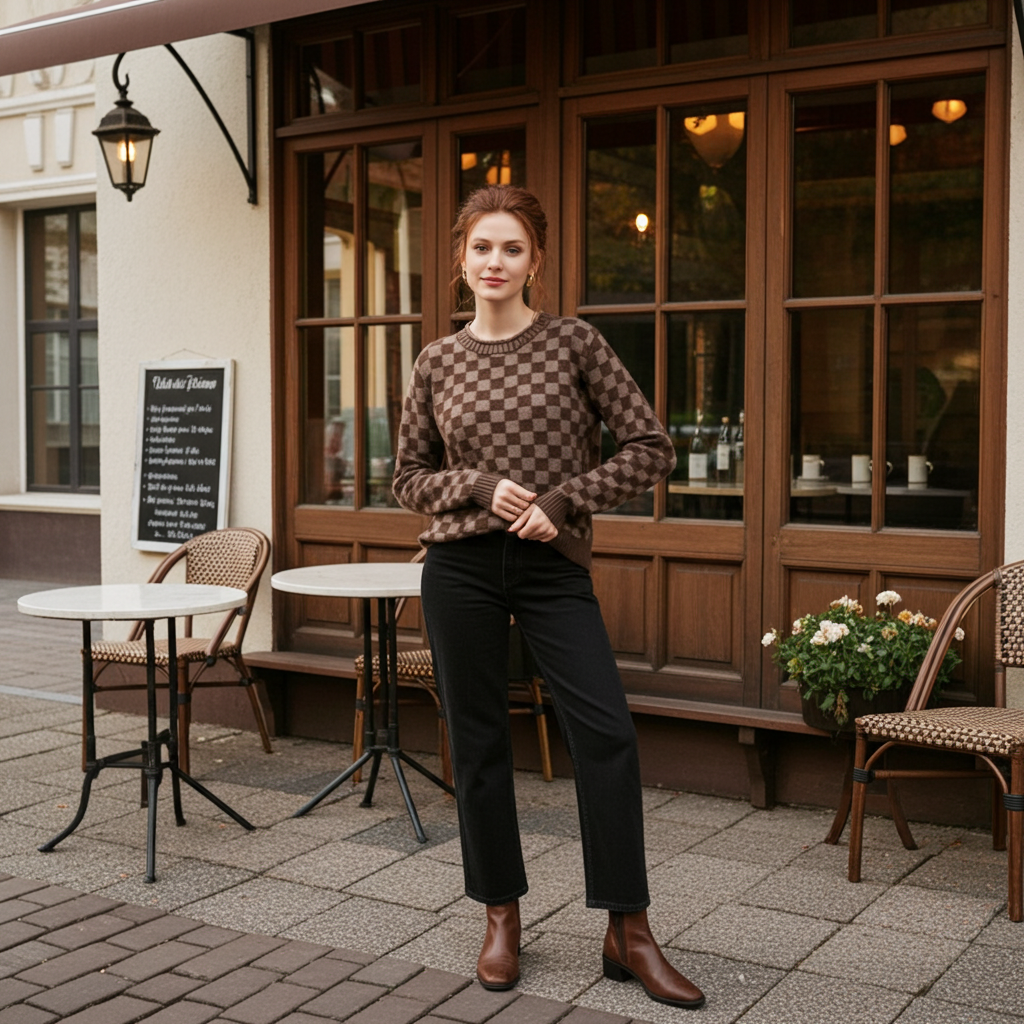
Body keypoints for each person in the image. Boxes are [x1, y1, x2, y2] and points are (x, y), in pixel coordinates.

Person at [392, 185, 705, 1011]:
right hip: (458, 570)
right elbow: (407, 480)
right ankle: (501, 914)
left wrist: (562, 501)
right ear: (460, 261)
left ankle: (628, 929)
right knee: (480, 742)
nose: (496, 262)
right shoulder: (437, 360)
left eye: (513, 249)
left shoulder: (575, 343)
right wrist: (479, 485)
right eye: (482, 248)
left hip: (552, 568)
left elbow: (652, 448)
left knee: (606, 735)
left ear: (537, 260)